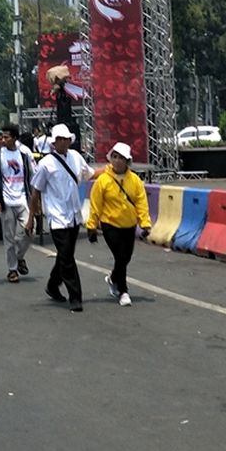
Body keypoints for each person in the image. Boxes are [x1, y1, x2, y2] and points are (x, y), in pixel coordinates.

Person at [24, 123, 95, 312]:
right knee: (67, 258)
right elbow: (36, 191)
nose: (63, 142)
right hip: (56, 217)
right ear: (54, 143)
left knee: (66, 255)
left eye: (66, 139)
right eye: (59, 140)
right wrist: (32, 218)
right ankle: (75, 296)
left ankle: (53, 285)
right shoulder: (46, 164)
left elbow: (90, 174)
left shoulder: (76, 157)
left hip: (73, 214)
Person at [85, 141, 151, 307]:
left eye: (121, 158)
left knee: (125, 258)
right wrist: (91, 226)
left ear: (127, 161)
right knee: (120, 256)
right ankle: (123, 291)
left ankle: (113, 278)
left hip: (129, 224)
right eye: (114, 157)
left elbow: (141, 202)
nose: (117, 161)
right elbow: (95, 204)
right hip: (110, 224)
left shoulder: (135, 180)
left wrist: (145, 223)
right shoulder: (103, 181)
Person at [0, 123, 36, 283]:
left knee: (30, 230)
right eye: (2, 137)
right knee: (8, 238)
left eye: (6, 137)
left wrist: (35, 198)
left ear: (15, 138)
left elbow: (32, 176)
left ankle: (19, 256)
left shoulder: (24, 154)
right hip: (6, 202)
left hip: (22, 200)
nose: (3, 140)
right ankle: (12, 270)